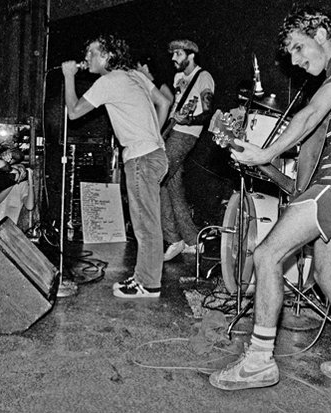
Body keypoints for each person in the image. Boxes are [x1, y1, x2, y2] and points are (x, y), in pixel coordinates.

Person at [209, 7, 331, 394]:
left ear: (321, 33)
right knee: (327, 275)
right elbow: (310, 151)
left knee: (266, 254)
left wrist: (265, 152)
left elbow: (311, 114)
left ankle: (259, 362)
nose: (294, 60)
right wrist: (263, 163)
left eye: (297, 47)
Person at [61, 34, 171, 299]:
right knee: (147, 223)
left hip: (141, 158)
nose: (86, 57)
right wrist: (152, 135)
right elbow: (165, 102)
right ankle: (144, 277)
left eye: (92, 52)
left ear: (108, 56)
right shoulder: (135, 75)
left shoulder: (108, 81)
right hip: (155, 154)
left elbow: (73, 112)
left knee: (145, 225)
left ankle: (149, 284)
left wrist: (68, 76)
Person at [161, 39, 215, 261]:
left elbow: (207, 113)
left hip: (185, 134)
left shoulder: (204, 77)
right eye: (172, 54)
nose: (173, 58)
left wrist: (189, 119)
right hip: (172, 131)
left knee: (158, 178)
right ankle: (193, 241)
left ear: (191, 55)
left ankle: (173, 238)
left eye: (178, 54)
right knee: (172, 186)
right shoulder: (178, 78)